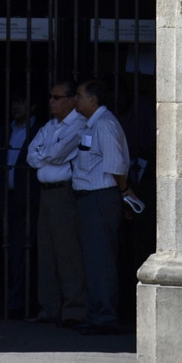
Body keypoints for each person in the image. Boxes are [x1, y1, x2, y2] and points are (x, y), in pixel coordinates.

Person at [70, 78, 132, 335]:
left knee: (101, 259)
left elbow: (116, 165)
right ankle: (97, 313)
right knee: (94, 259)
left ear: (93, 100)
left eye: (80, 95)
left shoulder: (104, 125)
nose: (76, 99)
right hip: (90, 198)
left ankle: (105, 316)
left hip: (100, 197)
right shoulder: (91, 125)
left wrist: (124, 192)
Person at [26, 80, 88, 327]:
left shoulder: (80, 124)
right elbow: (32, 155)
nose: (52, 101)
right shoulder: (49, 126)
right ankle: (49, 308)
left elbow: (55, 154)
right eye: (50, 97)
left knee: (68, 252)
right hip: (46, 193)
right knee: (47, 252)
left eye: (57, 97)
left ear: (72, 100)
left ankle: (73, 310)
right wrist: (47, 155)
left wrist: (46, 154)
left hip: (63, 194)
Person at [5, 96, 40, 318]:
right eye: (14, 100)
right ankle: (13, 301)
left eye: (21, 100)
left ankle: (22, 303)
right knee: (11, 252)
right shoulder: (4, 130)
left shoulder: (41, 130)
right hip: (7, 199)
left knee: (25, 253)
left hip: (29, 199)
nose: (16, 104)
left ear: (32, 105)